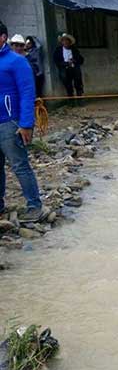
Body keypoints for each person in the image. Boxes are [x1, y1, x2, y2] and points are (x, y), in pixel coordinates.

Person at [0, 22, 47, 222]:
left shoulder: (16, 61)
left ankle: (34, 206)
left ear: (2, 37)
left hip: (11, 123)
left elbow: (28, 93)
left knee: (19, 165)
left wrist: (26, 124)